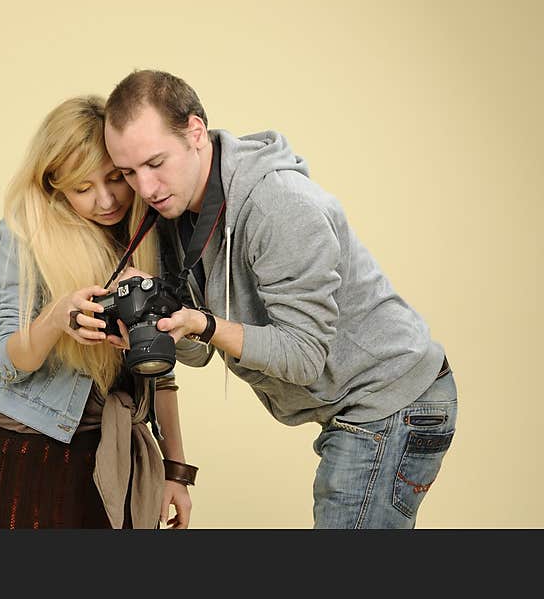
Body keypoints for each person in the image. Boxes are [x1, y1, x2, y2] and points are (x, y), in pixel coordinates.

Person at [102, 69, 457, 529]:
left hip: (393, 399)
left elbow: (304, 356)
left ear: (194, 132)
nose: (145, 188)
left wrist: (204, 325)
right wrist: (152, 320)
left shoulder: (278, 205)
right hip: (354, 404)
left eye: (155, 163)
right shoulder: (175, 210)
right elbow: (196, 351)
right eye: (128, 172)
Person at [0, 95, 195, 529]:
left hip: (119, 457)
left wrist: (176, 471)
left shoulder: (147, 234)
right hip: (33, 454)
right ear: (55, 186)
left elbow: (160, 369)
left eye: (115, 179)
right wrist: (57, 317)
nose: (106, 200)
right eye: (83, 188)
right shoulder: (26, 233)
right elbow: (5, 361)